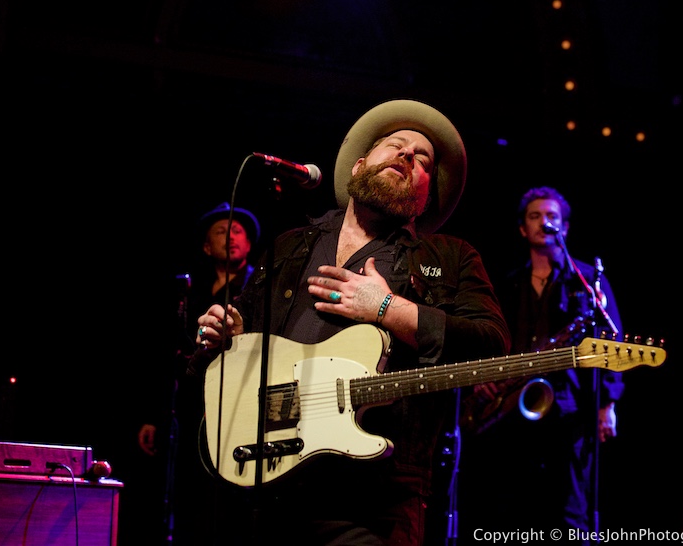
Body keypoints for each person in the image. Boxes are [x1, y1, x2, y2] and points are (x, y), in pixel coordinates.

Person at [188, 99, 511, 546]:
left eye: (422, 159)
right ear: (360, 165)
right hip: (264, 487)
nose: (407, 156)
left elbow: (492, 345)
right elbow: (235, 352)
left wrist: (387, 308)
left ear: (425, 196)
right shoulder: (289, 246)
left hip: (373, 500)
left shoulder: (449, 258)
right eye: (396, 146)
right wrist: (224, 336)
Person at [458, 185, 625, 543]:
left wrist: (608, 404)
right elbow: (489, 339)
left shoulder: (586, 281)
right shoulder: (508, 283)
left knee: (569, 516)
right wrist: (484, 380)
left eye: (552, 217)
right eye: (535, 216)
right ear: (522, 228)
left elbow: (612, 345)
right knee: (513, 513)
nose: (544, 222)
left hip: (569, 411)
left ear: (564, 228)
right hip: (510, 411)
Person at [133, 201, 261, 545]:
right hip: (191, 410)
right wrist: (154, 416)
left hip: (240, 407)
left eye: (237, 231)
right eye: (222, 231)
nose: (231, 237)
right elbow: (168, 357)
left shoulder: (260, 288)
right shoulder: (190, 294)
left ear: (249, 243)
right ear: (207, 246)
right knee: (188, 498)